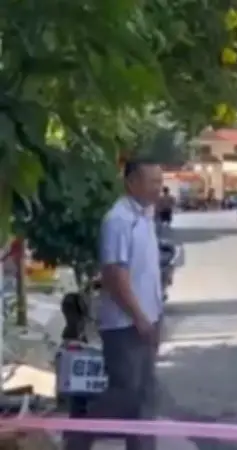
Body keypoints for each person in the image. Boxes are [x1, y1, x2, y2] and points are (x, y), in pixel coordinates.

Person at [65, 160, 164, 450]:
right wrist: (139, 317)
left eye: (160, 181)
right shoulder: (118, 220)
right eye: (152, 182)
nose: (158, 188)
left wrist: (155, 316)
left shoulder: (145, 216)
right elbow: (113, 276)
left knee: (144, 396)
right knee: (125, 395)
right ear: (131, 183)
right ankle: (76, 437)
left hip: (148, 319)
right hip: (125, 324)